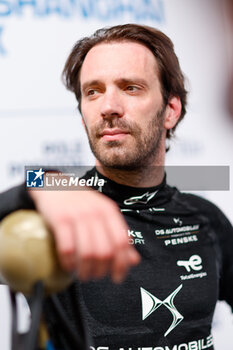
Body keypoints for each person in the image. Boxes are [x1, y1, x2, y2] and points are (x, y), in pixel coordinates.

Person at [0, 24, 233, 350]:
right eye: (92, 91)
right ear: (83, 115)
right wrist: (39, 183)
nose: (107, 107)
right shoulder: (54, 212)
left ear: (171, 110)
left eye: (130, 87)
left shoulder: (206, 218)